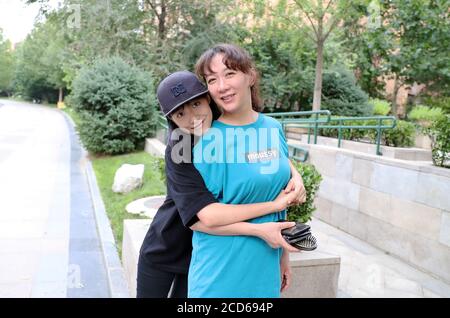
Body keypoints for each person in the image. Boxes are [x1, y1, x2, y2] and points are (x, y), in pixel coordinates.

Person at [137, 71, 306, 298]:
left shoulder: (230, 128)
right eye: (180, 114)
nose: (192, 118)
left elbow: (269, 160)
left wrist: (295, 175)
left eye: (196, 104)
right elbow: (201, 218)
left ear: (208, 98)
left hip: (208, 251)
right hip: (167, 248)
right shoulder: (181, 149)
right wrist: (274, 207)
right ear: (172, 121)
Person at [188, 43, 300, 298]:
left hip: (266, 270)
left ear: (250, 75)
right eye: (212, 79)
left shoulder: (273, 127)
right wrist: (260, 227)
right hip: (220, 276)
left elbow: (278, 194)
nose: (222, 86)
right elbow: (197, 220)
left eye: (229, 74)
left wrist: (284, 257)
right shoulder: (207, 140)